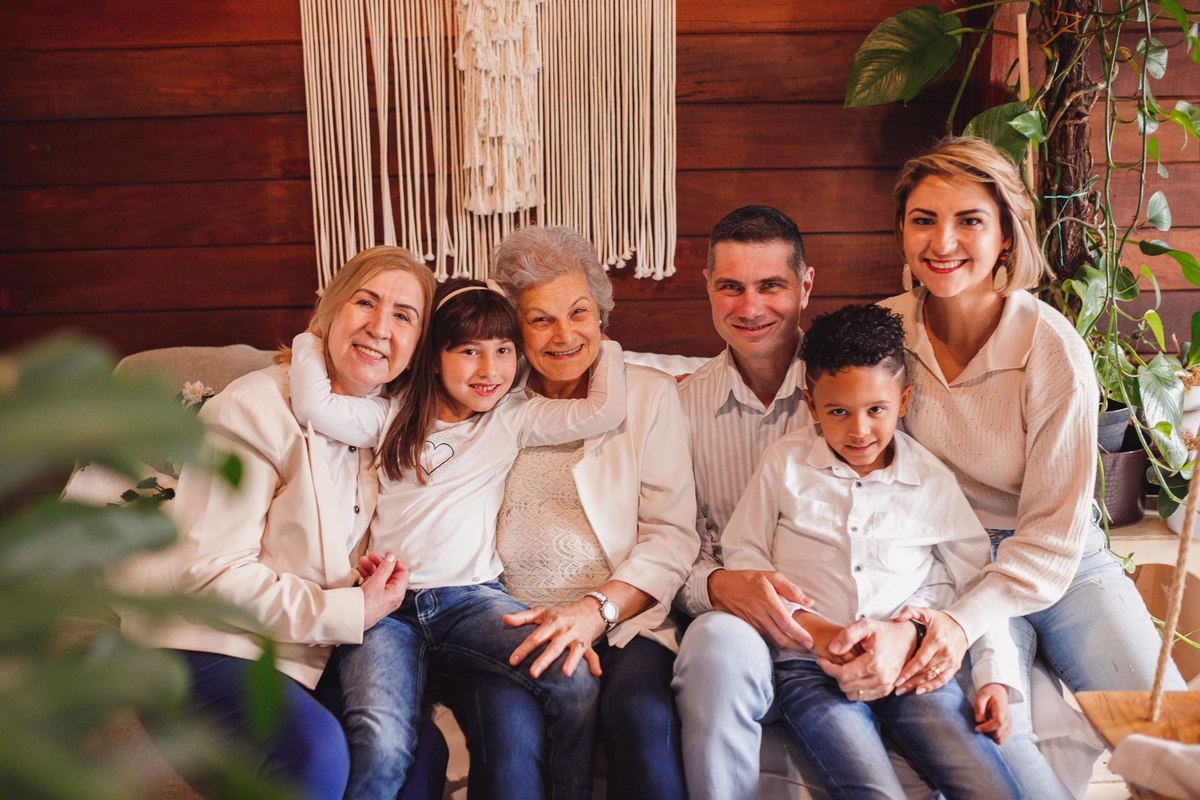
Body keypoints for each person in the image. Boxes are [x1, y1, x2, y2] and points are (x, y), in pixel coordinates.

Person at [833, 135, 1187, 798]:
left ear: (1006, 236)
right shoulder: (881, 335)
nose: (943, 242)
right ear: (902, 234)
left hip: (1063, 561)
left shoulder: (1052, 348)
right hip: (947, 565)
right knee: (999, 737)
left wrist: (962, 625)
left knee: (1175, 733)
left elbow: (1054, 534)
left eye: (969, 220)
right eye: (923, 220)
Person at [115, 246, 437, 800]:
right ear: (328, 315)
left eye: (404, 315)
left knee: (421, 754)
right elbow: (209, 575)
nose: (380, 327)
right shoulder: (254, 407)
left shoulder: (389, 424)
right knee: (316, 752)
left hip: (306, 648)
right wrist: (353, 609)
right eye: (366, 302)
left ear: (417, 347)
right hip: (207, 640)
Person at [288, 276, 627, 800]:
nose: (489, 369)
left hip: (472, 600)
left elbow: (605, 410)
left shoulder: (513, 418)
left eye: (503, 351)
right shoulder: (390, 414)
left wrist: (606, 345)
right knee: (380, 740)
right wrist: (311, 338)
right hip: (387, 608)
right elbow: (313, 406)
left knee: (574, 674)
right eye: (469, 351)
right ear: (434, 355)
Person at [435, 225, 700, 800]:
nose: (565, 335)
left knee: (642, 721)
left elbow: (672, 536)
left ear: (602, 316)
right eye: (540, 319)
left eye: (579, 312)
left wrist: (593, 612)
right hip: (507, 626)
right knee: (508, 736)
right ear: (513, 328)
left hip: (622, 621)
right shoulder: (490, 395)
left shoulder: (648, 396)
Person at [722, 303, 1021, 800]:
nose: (859, 431)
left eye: (876, 410)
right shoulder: (784, 465)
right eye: (839, 411)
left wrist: (995, 680)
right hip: (810, 669)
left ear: (903, 401)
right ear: (812, 406)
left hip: (911, 666)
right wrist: (814, 632)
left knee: (991, 788)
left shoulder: (930, 480)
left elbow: (977, 582)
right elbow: (745, 558)